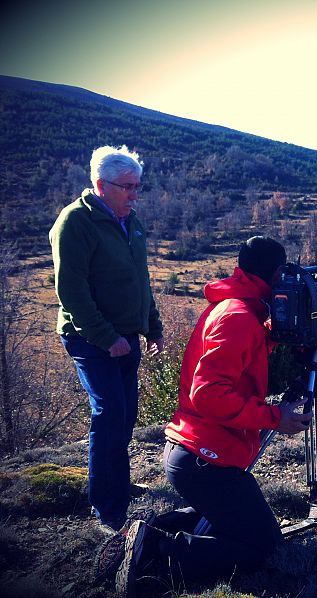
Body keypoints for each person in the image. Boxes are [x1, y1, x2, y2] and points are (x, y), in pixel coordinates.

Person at [112, 236, 312, 597]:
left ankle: (151, 529)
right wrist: (273, 417)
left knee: (240, 526)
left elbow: (246, 349)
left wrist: (284, 333)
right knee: (265, 548)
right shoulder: (237, 317)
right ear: (277, 272)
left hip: (197, 453)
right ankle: (157, 554)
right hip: (204, 460)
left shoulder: (242, 310)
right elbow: (208, 394)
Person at [49, 145, 164, 533]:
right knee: (109, 413)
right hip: (90, 339)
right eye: (127, 187)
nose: (135, 194)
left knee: (126, 415)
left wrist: (153, 327)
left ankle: (118, 484)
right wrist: (106, 337)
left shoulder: (132, 221)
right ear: (101, 185)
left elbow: (140, 280)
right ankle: (106, 507)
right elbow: (72, 291)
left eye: (138, 186)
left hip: (127, 336)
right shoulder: (74, 223)